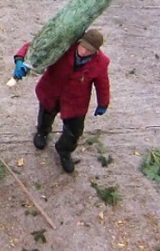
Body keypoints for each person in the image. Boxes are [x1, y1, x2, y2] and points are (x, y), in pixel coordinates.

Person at [12, 28, 110, 174]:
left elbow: (103, 83)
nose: (83, 52)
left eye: (88, 50)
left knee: (74, 132)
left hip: (76, 101)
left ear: (95, 51)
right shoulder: (63, 46)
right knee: (45, 115)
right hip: (51, 91)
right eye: (82, 47)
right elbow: (34, 47)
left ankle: (64, 151)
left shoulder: (101, 63)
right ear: (79, 42)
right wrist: (20, 60)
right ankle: (42, 132)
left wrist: (103, 103)